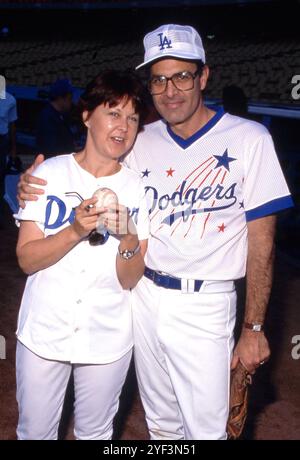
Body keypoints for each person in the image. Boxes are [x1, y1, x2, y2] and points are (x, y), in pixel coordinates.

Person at [17, 24, 293, 440]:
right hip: (142, 299)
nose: (170, 90)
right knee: (161, 425)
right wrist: (31, 182)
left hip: (205, 302)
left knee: (207, 431)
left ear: (203, 76)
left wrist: (253, 328)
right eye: (159, 79)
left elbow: (263, 241)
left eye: (182, 75)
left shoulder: (249, 138)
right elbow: (88, 160)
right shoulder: (140, 139)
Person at [14, 70, 149, 440]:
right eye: (114, 112)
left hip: (107, 335)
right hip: (45, 327)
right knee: (35, 433)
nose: (124, 125)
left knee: (96, 434)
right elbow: (27, 260)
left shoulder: (139, 188)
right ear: (87, 115)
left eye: (133, 117)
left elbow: (130, 278)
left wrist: (128, 236)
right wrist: (74, 231)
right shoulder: (49, 174)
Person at [36, 78, 76, 157]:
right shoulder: (48, 117)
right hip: (53, 164)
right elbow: (50, 150)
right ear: (61, 98)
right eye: (69, 98)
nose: (71, 102)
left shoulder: (61, 115)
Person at [0, 68, 17, 225]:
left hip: (1, 141)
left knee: (0, 178)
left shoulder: (10, 100)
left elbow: (12, 126)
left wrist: (13, 150)